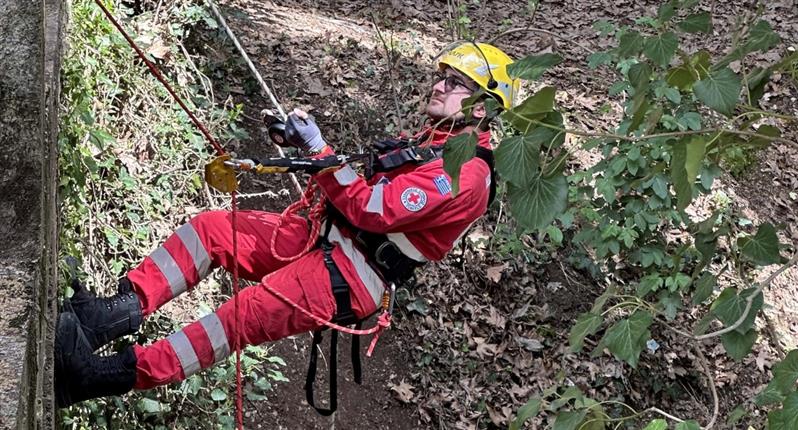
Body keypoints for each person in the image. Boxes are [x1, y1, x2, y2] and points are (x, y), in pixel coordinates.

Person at [54, 42, 520, 407]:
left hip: (353, 274)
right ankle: (104, 318)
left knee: (233, 319)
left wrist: (318, 154)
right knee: (214, 230)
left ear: (482, 107)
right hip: (326, 239)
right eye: (442, 78)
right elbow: (356, 184)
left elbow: (372, 208)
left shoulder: (466, 174)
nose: (439, 87)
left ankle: (93, 378)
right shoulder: (433, 141)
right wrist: (303, 149)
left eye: (455, 83)